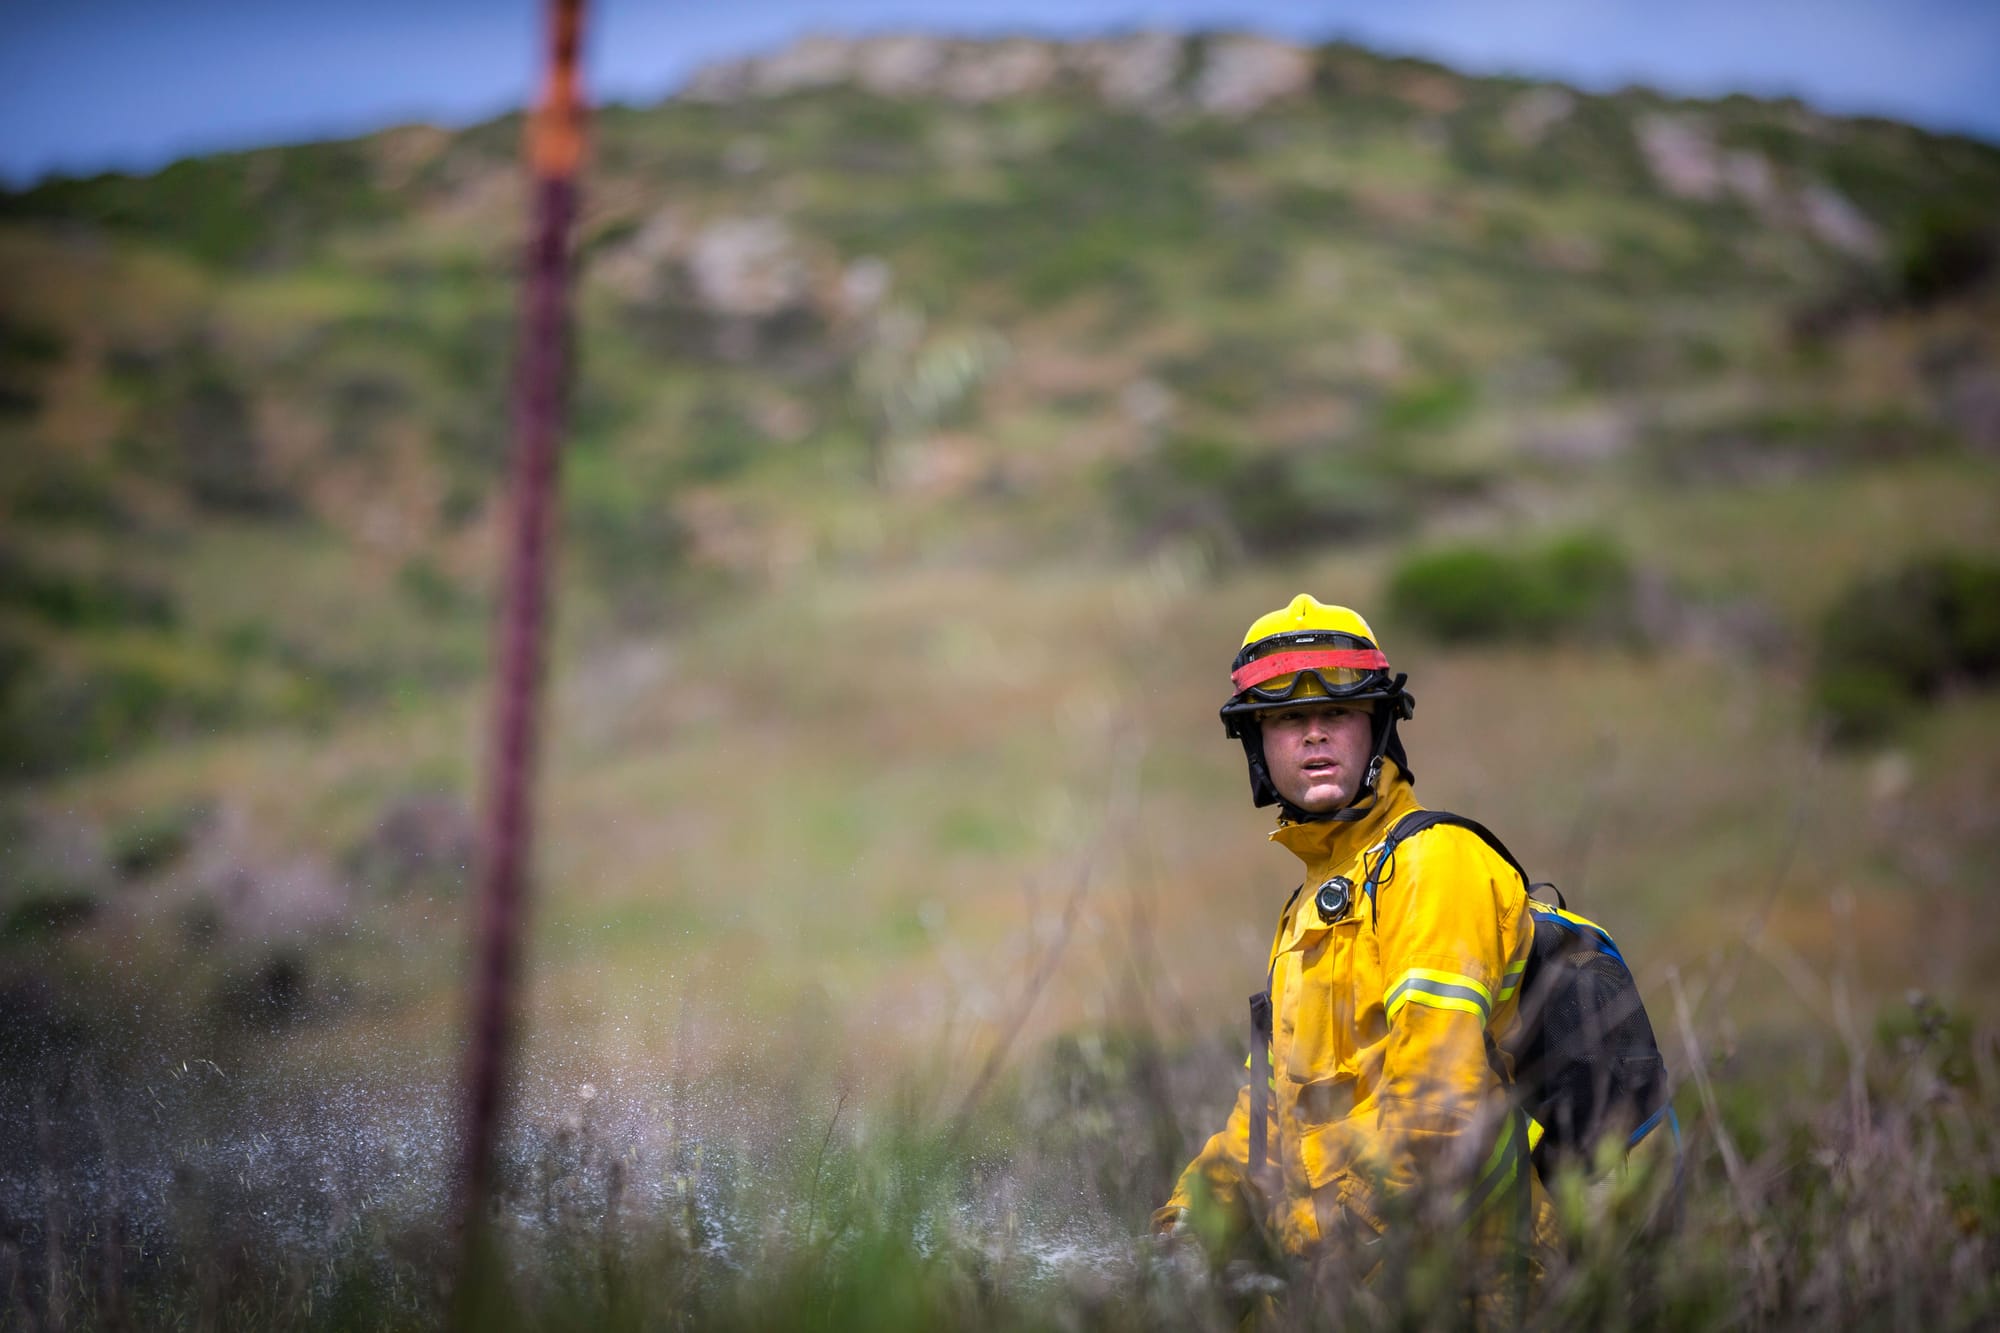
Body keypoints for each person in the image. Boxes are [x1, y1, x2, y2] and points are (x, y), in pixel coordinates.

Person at [1154, 594, 1558, 1288]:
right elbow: (1265, 1130)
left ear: (1376, 727)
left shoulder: (1434, 865)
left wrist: (1310, 1249)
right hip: (1353, 1292)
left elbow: (1439, 1110)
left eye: (1336, 713)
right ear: (1258, 744)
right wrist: (1187, 1229)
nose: (1314, 735)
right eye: (1287, 718)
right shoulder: (1306, 910)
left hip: (1462, 1291)